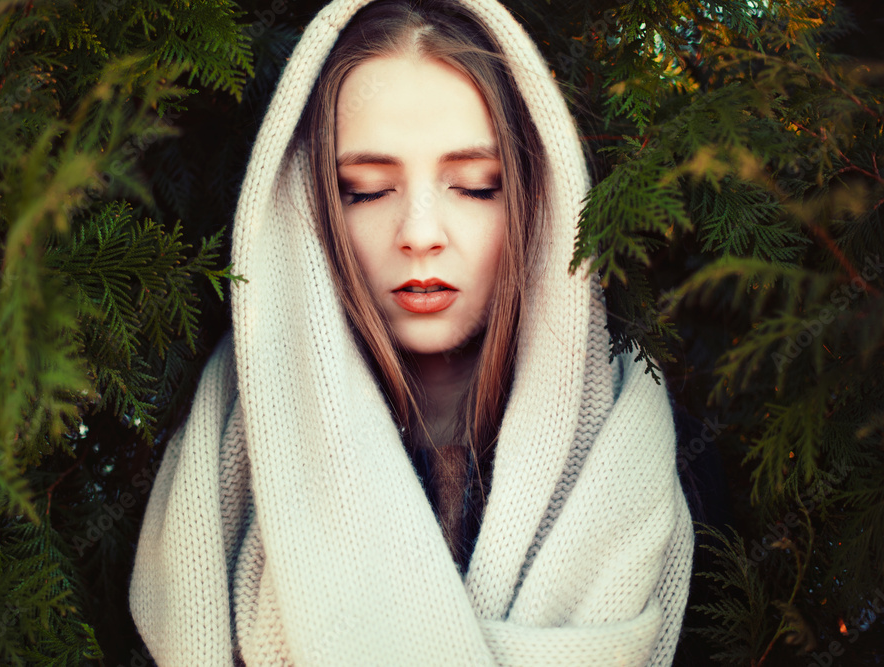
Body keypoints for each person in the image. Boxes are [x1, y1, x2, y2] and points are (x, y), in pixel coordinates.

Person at [128, 0, 695, 664]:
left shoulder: (639, 459)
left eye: (477, 186)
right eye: (365, 189)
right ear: (307, 209)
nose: (421, 233)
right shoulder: (220, 451)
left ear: (537, 199)